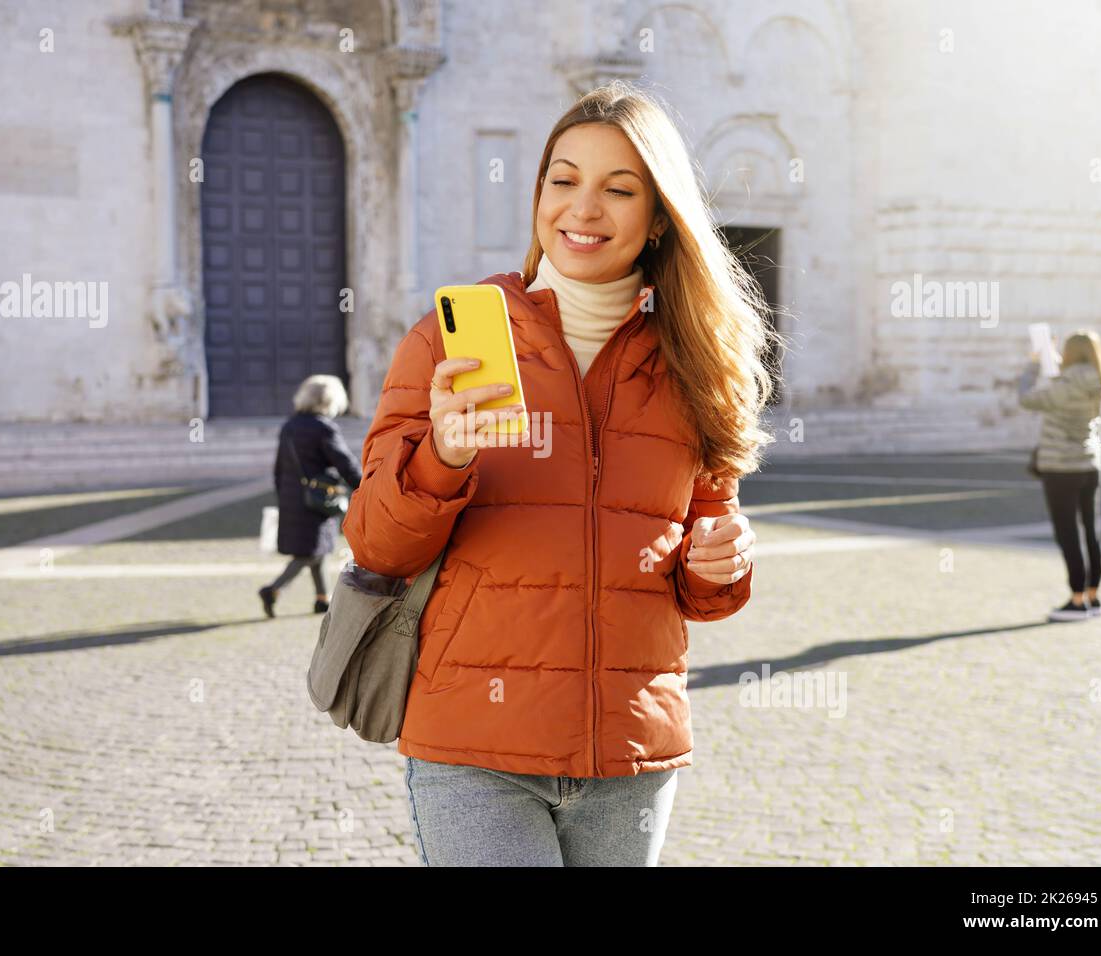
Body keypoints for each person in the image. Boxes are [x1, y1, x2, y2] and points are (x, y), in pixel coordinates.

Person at [342, 81, 780, 866]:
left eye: (619, 190)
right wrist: (443, 456)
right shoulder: (450, 341)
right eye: (563, 180)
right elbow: (376, 543)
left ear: (658, 219)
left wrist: (722, 563)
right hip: (475, 745)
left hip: (630, 750)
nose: (583, 209)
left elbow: (703, 576)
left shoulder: (696, 363)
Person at [1017, 329, 1101, 623]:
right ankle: (1093, 594)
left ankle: (1076, 601)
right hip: (1091, 465)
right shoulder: (1099, 380)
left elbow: (1027, 399)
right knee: (1090, 531)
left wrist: (1034, 364)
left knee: (1068, 534)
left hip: (1062, 468)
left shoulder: (1065, 384)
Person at [259, 374, 362, 618]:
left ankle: (321, 598)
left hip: (293, 496)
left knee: (319, 546)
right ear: (329, 401)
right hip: (316, 499)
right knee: (310, 552)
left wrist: (283, 496)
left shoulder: (290, 426)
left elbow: (278, 467)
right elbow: (345, 463)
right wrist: (364, 486)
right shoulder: (322, 427)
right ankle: (273, 589)